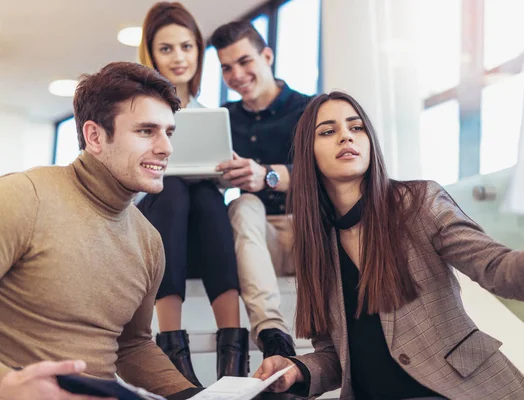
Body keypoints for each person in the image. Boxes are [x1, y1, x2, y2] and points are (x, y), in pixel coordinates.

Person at [253, 91, 524, 400]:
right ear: (307, 154)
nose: (346, 135)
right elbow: (336, 356)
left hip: (460, 390)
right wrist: (297, 370)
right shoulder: (315, 244)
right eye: (328, 131)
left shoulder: (419, 203)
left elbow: (500, 271)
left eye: (356, 127)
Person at [0, 62, 203, 399]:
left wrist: (190, 395)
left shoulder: (149, 241)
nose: (165, 148)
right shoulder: (22, 197)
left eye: (169, 132)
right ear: (94, 136)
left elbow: (132, 346)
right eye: (146, 131)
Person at [137, 2, 247, 382]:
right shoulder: (135, 111)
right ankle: (171, 347)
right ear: (150, 54)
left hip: (197, 234)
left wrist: (224, 173)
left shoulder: (208, 116)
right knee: (175, 190)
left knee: (205, 196)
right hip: (157, 222)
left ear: (199, 51)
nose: (179, 57)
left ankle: (232, 356)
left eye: (187, 46)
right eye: (166, 49)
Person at [208, 20, 312, 359]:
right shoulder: (223, 118)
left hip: (308, 232)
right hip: (255, 237)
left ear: (267, 56)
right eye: (226, 67)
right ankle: (272, 333)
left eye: (244, 61)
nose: (236, 74)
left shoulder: (311, 109)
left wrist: (267, 175)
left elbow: (329, 173)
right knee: (244, 204)